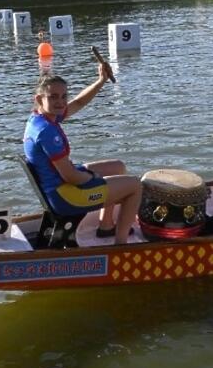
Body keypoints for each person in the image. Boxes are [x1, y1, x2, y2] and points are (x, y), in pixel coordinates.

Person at [23, 65, 141, 245]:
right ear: (39, 99)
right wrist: (92, 176)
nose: (61, 102)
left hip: (57, 186)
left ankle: (106, 226)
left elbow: (78, 103)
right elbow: (71, 176)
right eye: (53, 97)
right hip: (65, 197)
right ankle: (121, 245)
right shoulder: (46, 131)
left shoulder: (41, 117)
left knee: (117, 166)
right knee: (135, 185)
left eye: (64, 96)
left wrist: (100, 81)